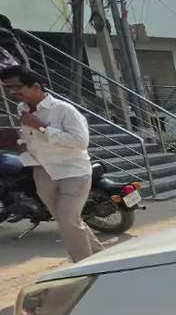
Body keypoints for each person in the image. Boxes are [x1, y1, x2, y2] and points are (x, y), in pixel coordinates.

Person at [1, 65, 103, 262]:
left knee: (68, 221)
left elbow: (80, 142)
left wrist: (41, 127)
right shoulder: (22, 109)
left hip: (72, 171)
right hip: (43, 171)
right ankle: (99, 258)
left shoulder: (64, 110)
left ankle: (83, 266)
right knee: (69, 221)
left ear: (36, 86)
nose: (13, 92)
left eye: (17, 86)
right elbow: (29, 138)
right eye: (8, 88)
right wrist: (23, 145)